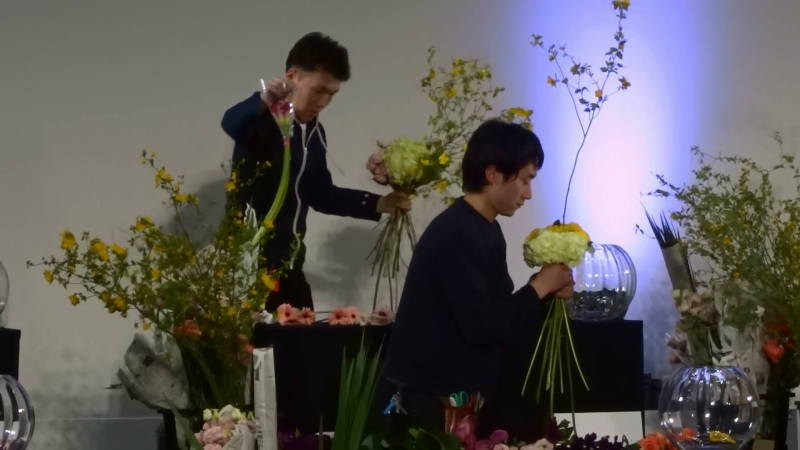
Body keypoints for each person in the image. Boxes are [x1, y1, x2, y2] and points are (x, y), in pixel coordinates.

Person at [381, 119, 574, 435]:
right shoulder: (457, 232)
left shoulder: (484, 228)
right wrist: (540, 286)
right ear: (493, 174)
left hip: (454, 393)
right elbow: (482, 325)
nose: (529, 194)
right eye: (525, 180)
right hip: (431, 402)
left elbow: (497, 313)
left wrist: (546, 289)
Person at [221, 32, 409, 311]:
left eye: (331, 94)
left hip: (292, 268)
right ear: (292, 77)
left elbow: (320, 194)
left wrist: (379, 203)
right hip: (251, 270)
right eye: (318, 90)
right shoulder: (264, 119)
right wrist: (265, 99)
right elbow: (230, 122)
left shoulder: (315, 133)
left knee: (310, 333)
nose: (323, 102)